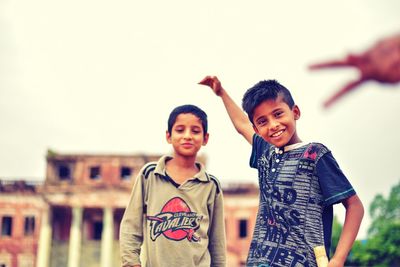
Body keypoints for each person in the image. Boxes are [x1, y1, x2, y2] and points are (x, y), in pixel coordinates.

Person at [199, 76, 364, 267]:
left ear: (295, 112)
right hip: (259, 261)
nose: (273, 125)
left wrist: (338, 259)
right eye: (263, 121)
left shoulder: (315, 155)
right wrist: (221, 93)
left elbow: (354, 206)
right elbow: (242, 125)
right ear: (257, 128)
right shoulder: (266, 153)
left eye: (278, 114)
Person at [119, 104, 226, 267]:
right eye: (180, 130)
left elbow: (217, 243)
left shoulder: (211, 185)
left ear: (205, 138)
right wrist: (131, 263)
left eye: (195, 131)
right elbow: (130, 226)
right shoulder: (150, 175)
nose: (188, 136)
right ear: (168, 136)